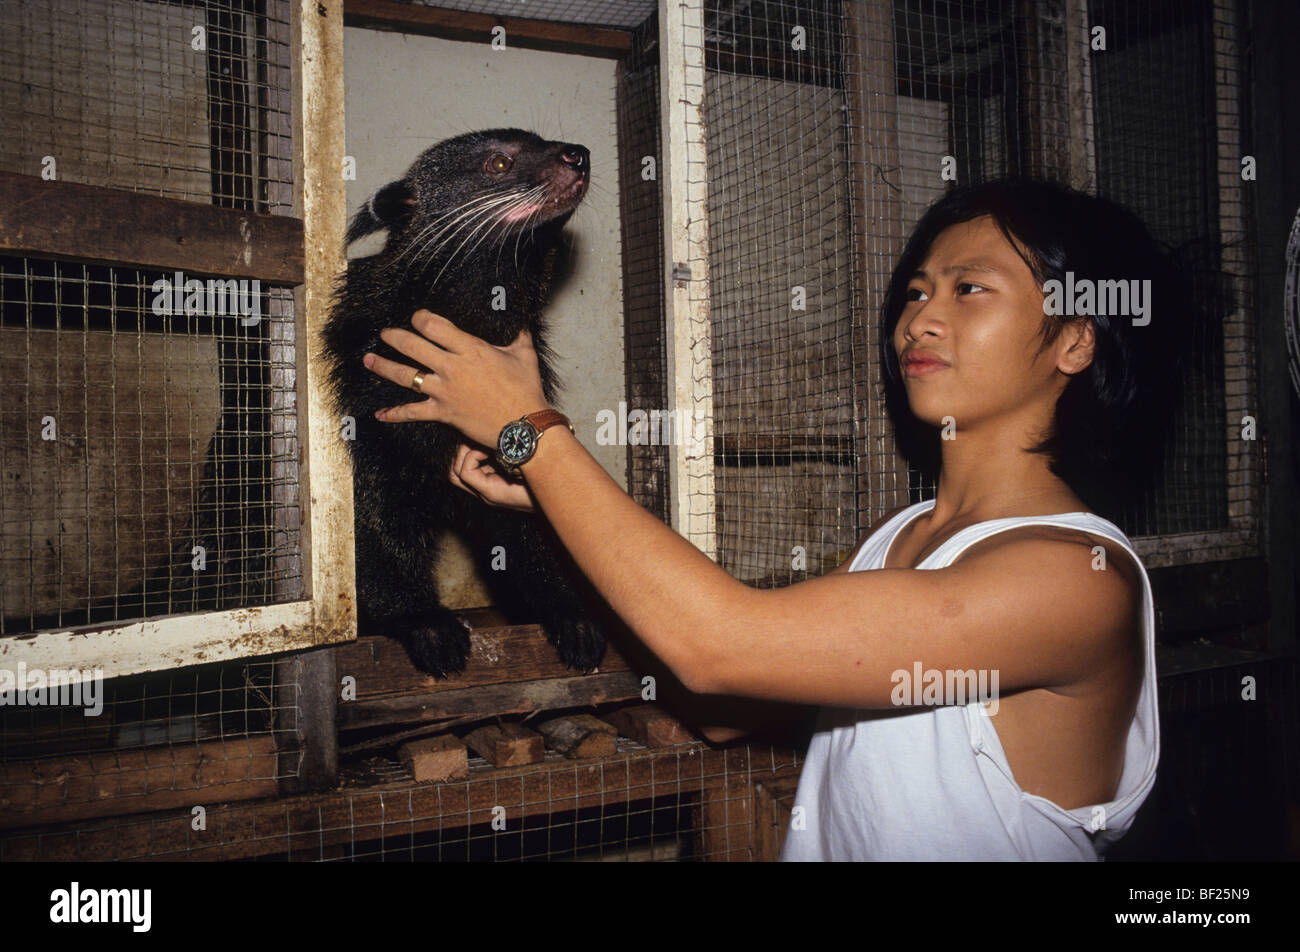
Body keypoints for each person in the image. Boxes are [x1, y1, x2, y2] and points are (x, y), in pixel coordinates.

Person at [359, 178, 1186, 860]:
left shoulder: (1075, 582)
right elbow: (724, 707)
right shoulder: (903, 538)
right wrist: (549, 506)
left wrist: (530, 433)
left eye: (969, 288)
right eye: (915, 290)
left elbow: (724, 646)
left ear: (1075, 342)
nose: (919, 319)